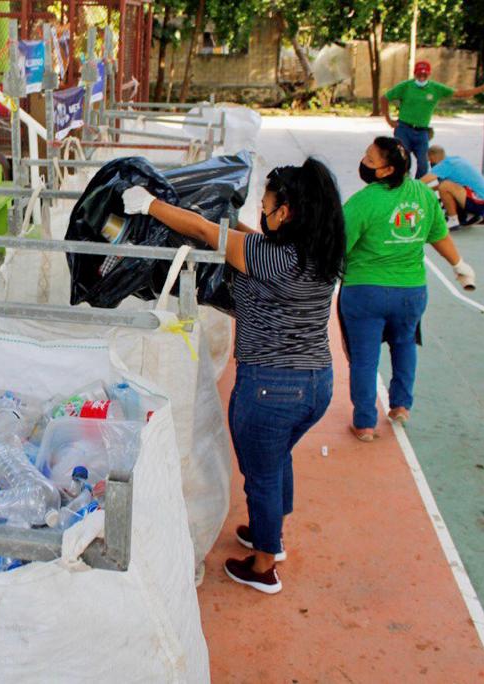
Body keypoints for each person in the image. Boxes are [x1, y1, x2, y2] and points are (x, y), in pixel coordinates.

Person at [121, 158, 345, 595]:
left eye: (267, 205)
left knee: (260, 474)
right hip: (316, 384)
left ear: (287, 213)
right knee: (277, 460)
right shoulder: (318, 252)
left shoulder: (270, 259)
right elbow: (244, 238)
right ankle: (270, 533)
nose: (261, 211)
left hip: (270, 387)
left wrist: (151, 206)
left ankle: (263, 564)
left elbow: (208, 234)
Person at [341, 137, 476, 441]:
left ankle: (364, 422)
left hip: (366, 292)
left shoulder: (363, 202)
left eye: (370, 159)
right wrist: (459, 264)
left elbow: (339, 248)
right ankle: (401, 405)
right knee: (404, 344)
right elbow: (438, 234)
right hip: (411, 291)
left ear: (386, 170)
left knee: (364, 357)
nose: (364, 161)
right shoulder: (422, 194)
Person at [380, 60, 484, 178]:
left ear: (428, 75)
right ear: (415, 74)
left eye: (424, 74)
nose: (421, 77)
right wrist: (389, 120)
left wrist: (481, 88)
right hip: (404, 128)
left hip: (422, 132)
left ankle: (418, 188)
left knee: (423, 164)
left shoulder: (436, 88)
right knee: (403, 161)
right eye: (419, 74)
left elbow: (461, 94)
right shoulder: (406, 86)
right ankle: (404, 188)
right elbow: (384, 98)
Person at [422, 145, 484, 227]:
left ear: (432, 156)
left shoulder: (445, 165)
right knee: (445, 186)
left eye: (430, 160)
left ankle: (453, 220)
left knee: (444, 186)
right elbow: (440, 185)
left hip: (479, 202)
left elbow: (422, 182)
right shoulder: (455, 160)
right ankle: (469, 216)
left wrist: (406, 188)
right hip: (479, 198)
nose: (430, 163)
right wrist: (428, 189)